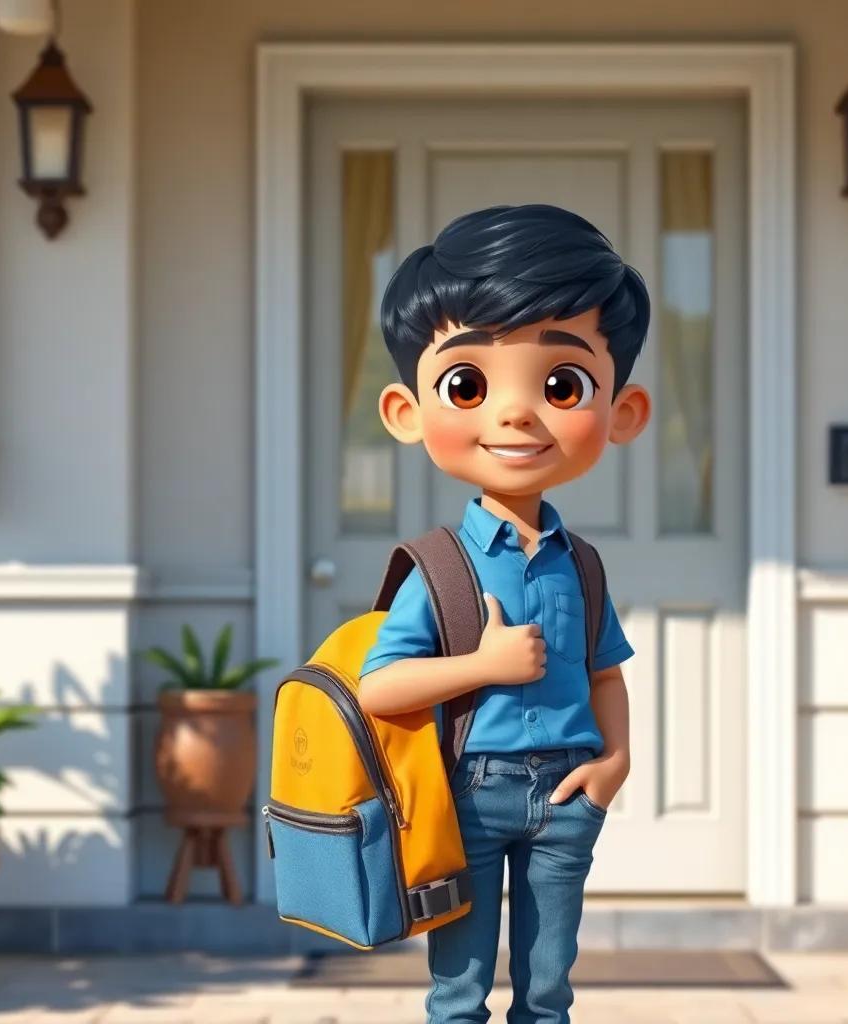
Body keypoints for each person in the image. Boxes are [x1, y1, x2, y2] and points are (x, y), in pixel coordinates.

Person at [358, 203, 651, 1024]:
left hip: (566, 792)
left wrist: (615, 763)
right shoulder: (439, 568)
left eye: (562, 384)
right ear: (408, 412)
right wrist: (484, 668)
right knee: (459, 985)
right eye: (469, 385)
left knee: (549, 985)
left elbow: (605, 672)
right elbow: (381, 686)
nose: (516, 414)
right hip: (469, 793)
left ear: (622, 411)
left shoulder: (581, 565)